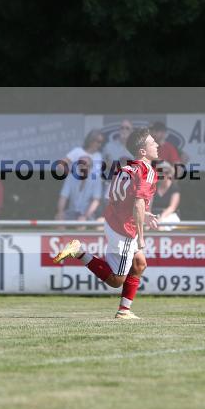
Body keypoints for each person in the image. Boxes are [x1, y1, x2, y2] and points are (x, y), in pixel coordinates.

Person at [52, 128, 160, 320]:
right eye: (153, 143)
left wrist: (145, 213)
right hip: (125, 230)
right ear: (143, 151)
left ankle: (124, 310)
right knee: (116, 280)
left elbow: (123, 200)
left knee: (139, 263)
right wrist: (141, 237)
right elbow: (137, 203)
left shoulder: (126, 168)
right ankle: (79, 252)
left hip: (114, 220)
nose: (157, 145)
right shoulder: (147, 172)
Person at [54, 155, 101, 221]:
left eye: (87, 165)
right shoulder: (70, 178)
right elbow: (63, 197)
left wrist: (85, 216)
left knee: (82, 223)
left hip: (88, 214)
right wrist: (60, 212)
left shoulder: (96, 179)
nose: (83, 168)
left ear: (91, 167)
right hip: (71, 212)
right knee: (58, 219)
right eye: (81, 165)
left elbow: (96, 201)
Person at [151, 161, 181, 229]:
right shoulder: (153, 187)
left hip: (170, 215)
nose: (163, 174)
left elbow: (172, 207)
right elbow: (149, 206)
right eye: (160, 172)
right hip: (154, 215)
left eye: (166, 172)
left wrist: (161, 218)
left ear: (170, 174)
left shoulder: (174, 187)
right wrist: (149, 218)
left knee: (161, 227)